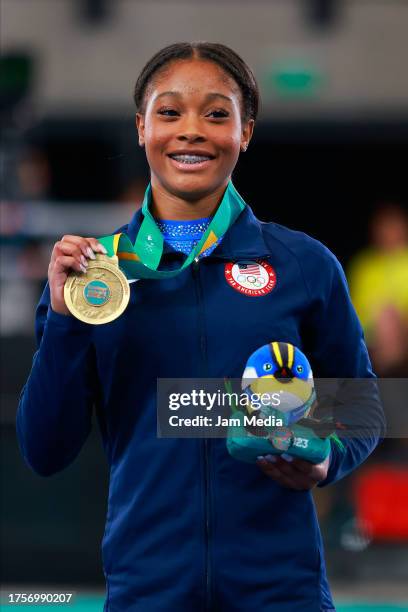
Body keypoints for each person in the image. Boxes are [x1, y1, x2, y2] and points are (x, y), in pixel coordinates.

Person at [16, 42, 385, 612]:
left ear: (246, 132)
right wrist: (65, 322)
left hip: (281, 593)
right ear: (142, 128)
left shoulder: (303, 265)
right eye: (169, 112)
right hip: (149, 591)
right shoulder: (97, 277)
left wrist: (324, 458)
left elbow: (362, 406)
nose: (191, 130)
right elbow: (45, 449)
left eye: (217, 113)